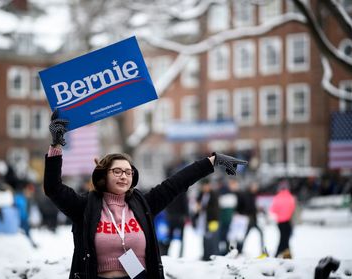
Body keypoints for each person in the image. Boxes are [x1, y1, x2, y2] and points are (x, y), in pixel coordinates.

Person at [44, 110, 247, 279]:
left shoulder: (142, 204)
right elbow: (53, 188)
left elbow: (177, 183)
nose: (124, 176)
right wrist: (56, 145)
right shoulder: (86, 206)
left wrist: (213, 161)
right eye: (117, 171)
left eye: (128, 172)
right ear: (103, 176)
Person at [193, 178, 220, 260]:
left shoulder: (213, 194)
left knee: (212, 240)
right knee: (205, 239)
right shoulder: (200, 195)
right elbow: (197, 208)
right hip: (203, 221)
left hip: (212, 220)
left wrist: (203, 208)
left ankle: (213, 257)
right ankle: (205, 256)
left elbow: (215, 209)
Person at [269, 180, 296, 258]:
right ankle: (284, 254)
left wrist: (280, 213)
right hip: (288, 221)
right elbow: (293, 208)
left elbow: (273, 210)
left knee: (283, 238)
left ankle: (283, 254)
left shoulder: (277, 197)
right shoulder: (290, 197)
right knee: (285, 238)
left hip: (280, 222)